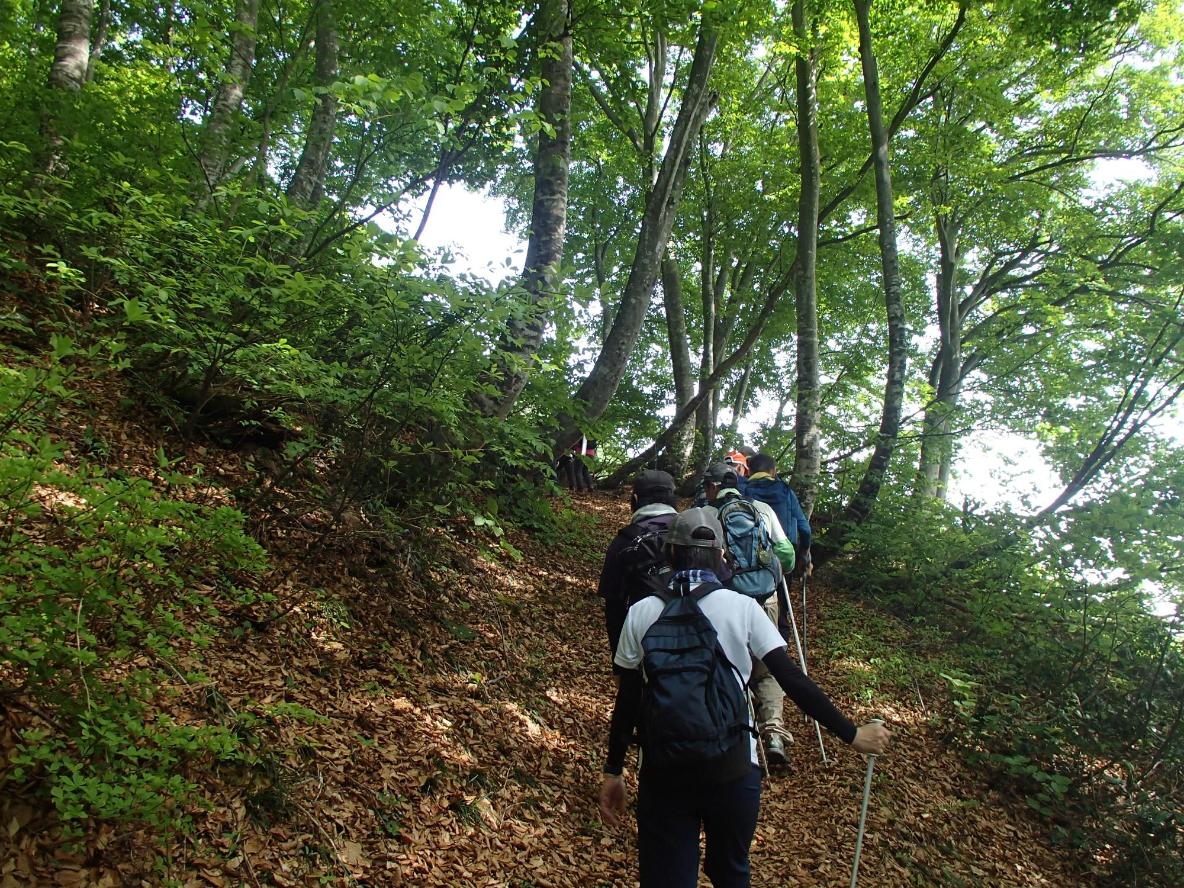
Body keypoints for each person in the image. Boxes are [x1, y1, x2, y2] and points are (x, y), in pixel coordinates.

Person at [598, 508, 891, 888]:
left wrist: (613, 771)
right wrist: (852, 734)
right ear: (721, 556)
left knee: (667, 878)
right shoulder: (744, 608)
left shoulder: (641, 612)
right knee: (730, 872)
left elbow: (628, 700)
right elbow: (790, 679)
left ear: (670, 554)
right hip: (733, 766)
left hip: (664, 767)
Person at [703, 462, 796, 766]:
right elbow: (787, 555)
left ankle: (738, 735)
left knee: (731, 662)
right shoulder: (762, 510)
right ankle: (774, 733)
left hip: (729, 600)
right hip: (766, 598)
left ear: (713, 487)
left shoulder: (710, 516)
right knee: (768, 666)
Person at [597, 470, 679, 669]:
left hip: (643, 644)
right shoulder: (694, 532)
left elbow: (614, 608)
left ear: (634, 500)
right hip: (698, 640)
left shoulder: (624, 541)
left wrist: (619, 664)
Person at [743, 452, 812, 575]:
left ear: (749, 472)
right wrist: (804, 553)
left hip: (750, 558)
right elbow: (805, 529)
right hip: (782, 559)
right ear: (773, 471)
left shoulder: (742, 491)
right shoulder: (786, 492)